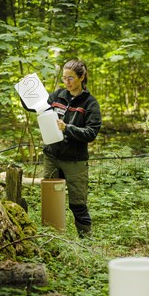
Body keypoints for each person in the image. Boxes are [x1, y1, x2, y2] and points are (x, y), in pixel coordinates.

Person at [43, 59, 102, 237]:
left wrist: (68, 128)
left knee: (78, 203)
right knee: (50, 199)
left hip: (75, 160)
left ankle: (86, 241)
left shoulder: (90, 103)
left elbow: (91, 133)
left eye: (70, 78)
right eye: (64, 78)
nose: (66, 82)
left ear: (82, 77)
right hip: (52, 156)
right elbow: (37, 106)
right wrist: (25, 94)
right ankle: (51, 238)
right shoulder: (57, 96)